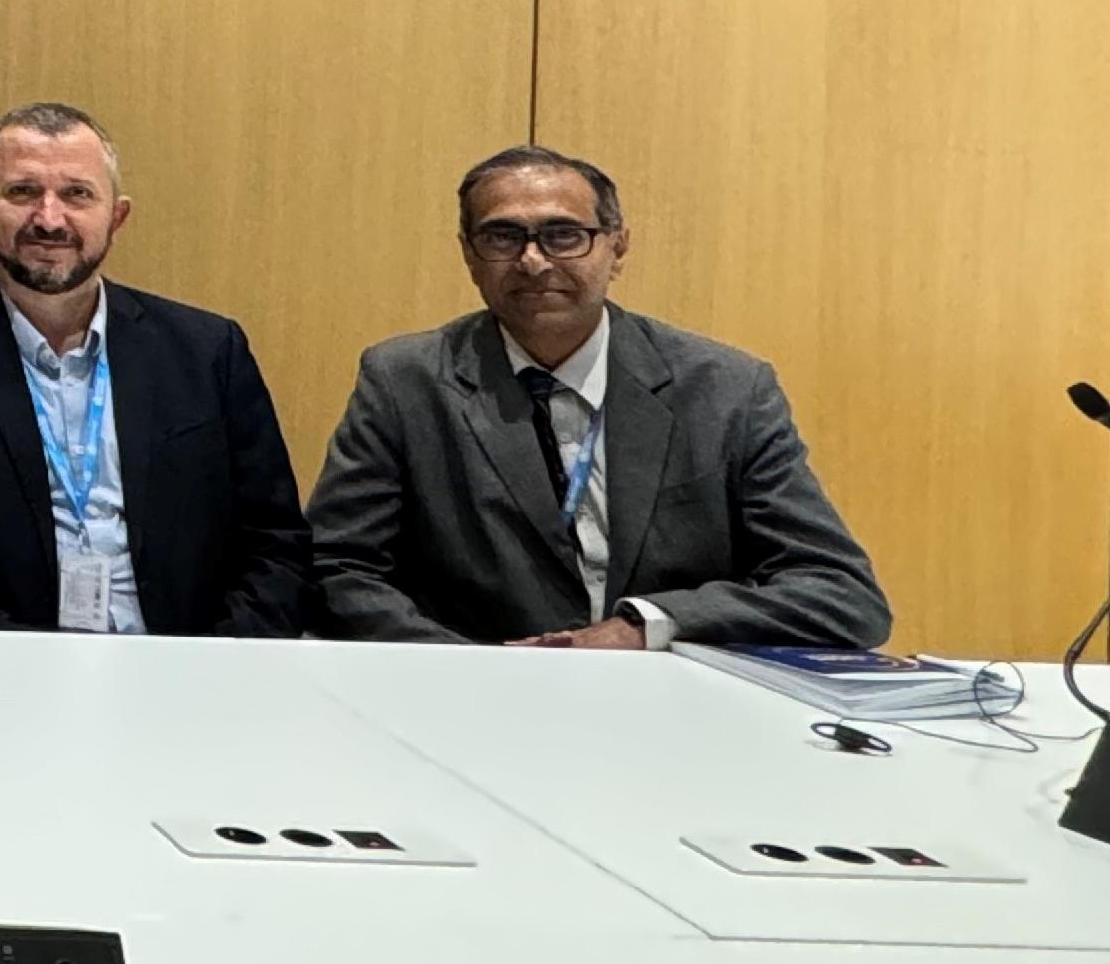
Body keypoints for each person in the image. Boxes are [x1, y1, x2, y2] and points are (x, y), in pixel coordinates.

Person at [308, 145, 889, 650]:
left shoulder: (727, 389)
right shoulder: (406, 380)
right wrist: (474, 667)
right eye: (502, 237)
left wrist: (648, 626)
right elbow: (337, 570)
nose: (533, 261)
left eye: (564, 235)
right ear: (468, 254)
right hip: (471, 702)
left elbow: (840, 592)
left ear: (617, 247)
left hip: (671, 705)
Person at [0, 103, 311, 635]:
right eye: (22, 192)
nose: (49, 218)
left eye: (76, 194)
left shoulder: (207, 353)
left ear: (117, 216)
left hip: (191, 672)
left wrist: (209, 664)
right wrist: (26, 668)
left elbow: (277, 545)